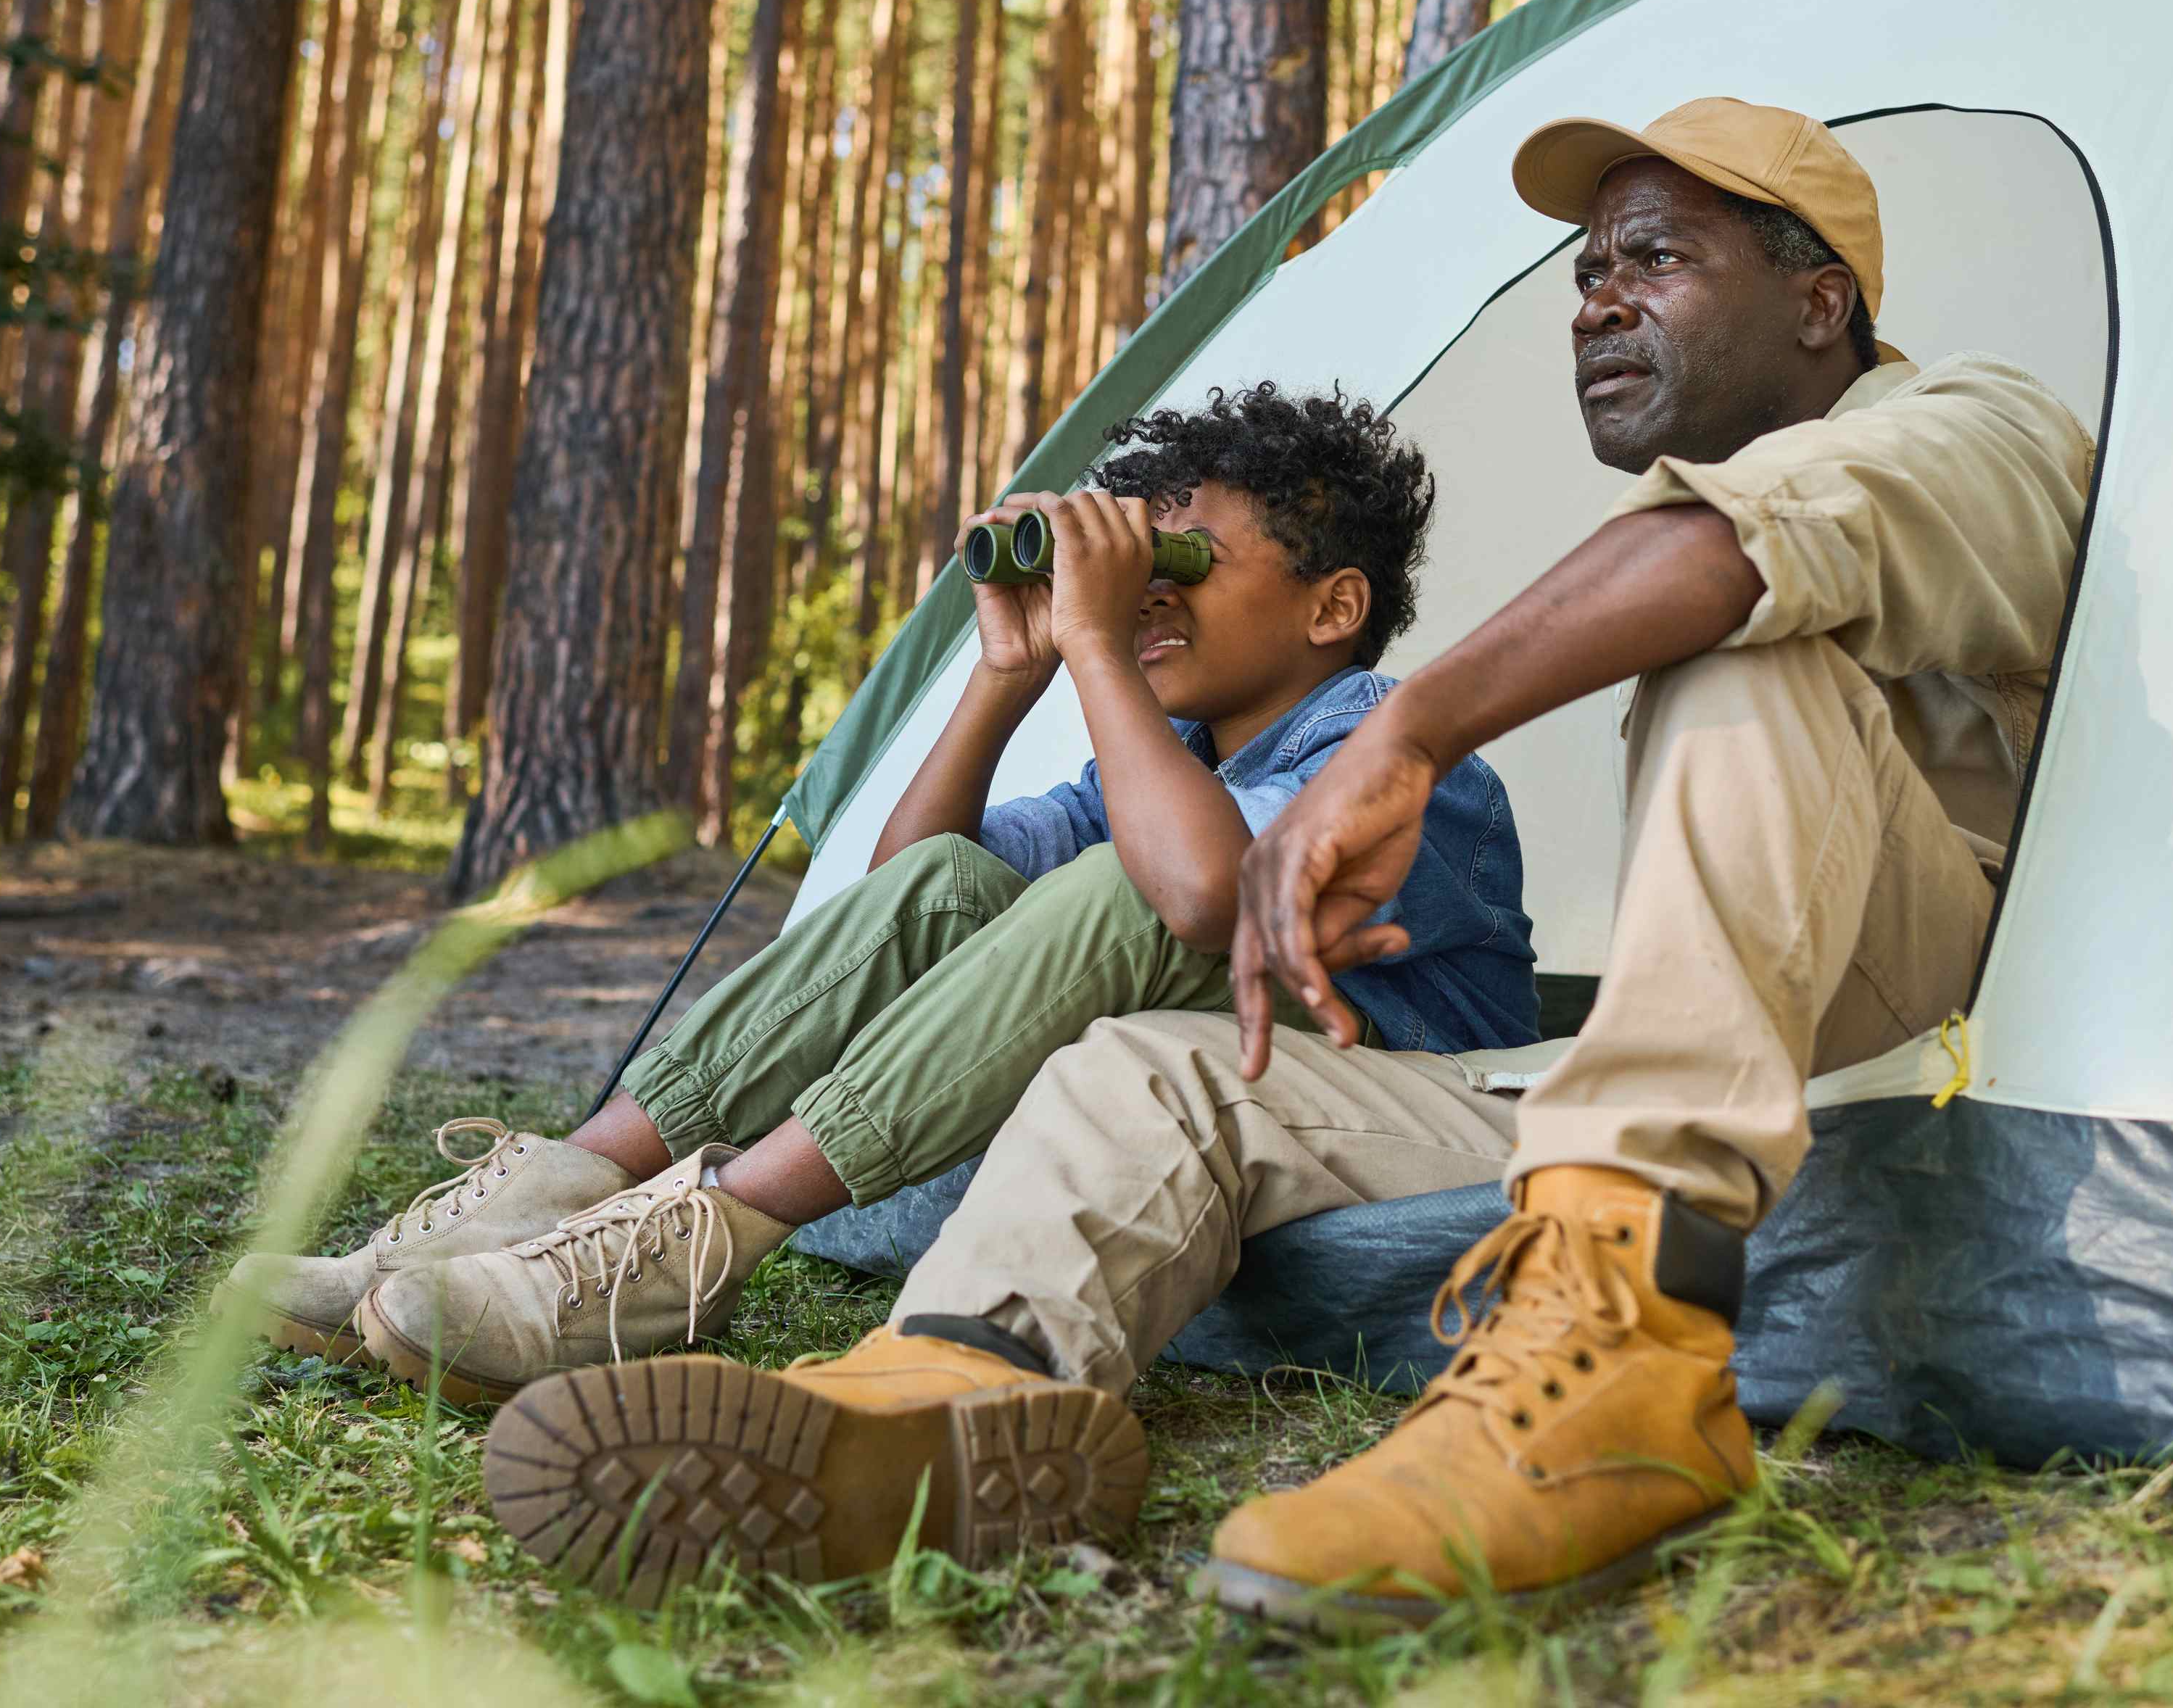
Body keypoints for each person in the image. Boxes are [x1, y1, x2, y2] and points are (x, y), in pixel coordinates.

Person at [471, 98, 2093, 1615]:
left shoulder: (1972, 423)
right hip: (1610, 1056)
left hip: (1933, 1017)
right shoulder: (1207, 739)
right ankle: (957, 1388)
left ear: (1822, 305)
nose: (1596, 302)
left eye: (1656, 257)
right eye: (1587, 272)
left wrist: (1407, 735)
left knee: (1741, 631)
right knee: (1145, 1067)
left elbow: (1740, 553)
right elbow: (945, 873)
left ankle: (1629, 1354)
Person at [231, 384, 1539, 1407]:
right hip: (1236, 1059)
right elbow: (915, 887)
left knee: (1121, 890)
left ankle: (694, 1249)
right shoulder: (1171, 762)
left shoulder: (1393, 738)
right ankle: (569, 1194)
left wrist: (1095, 643)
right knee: (967, 878)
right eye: (1140, 557)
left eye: (1185, 559)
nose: (1144, 591)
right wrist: (1008, 672)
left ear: (1334, 607)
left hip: (1399, 1091)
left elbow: (1199, 898)